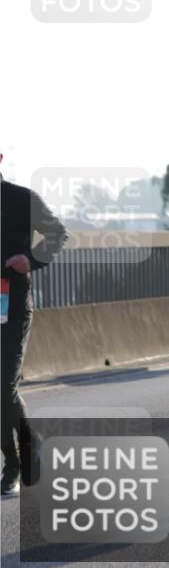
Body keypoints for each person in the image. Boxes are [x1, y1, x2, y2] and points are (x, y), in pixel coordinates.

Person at [1, 154, 68, 495]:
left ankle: (21, 456)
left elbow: (57, 234)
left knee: (3, 386)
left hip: (12, 309)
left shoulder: (21, 198)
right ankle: (15, 461)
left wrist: (31, 259)